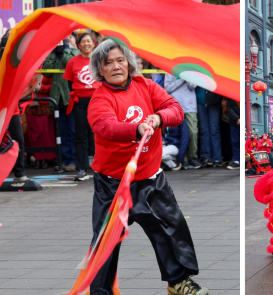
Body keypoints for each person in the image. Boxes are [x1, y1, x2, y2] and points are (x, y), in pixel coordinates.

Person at [86, 39, 208, 295]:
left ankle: (178, 282)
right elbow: (104, 126)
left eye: (120, 60)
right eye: (108, 63)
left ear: (129, 63)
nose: (116, 66)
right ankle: (100, 292)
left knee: (171, 229)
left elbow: (175, 110)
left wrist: (159, 117)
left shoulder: (147, 86)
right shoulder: (100, 98)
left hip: (151, 179)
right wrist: (137, 127)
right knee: (106, 242)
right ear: (100, 69)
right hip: (113, 184)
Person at [63, 32, 101, 178]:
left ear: (93, 43)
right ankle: (82, 168)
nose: (86, 44)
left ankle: (100, 166)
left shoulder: (98, 60)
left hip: (98, 102)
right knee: (80, 134)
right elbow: (69, 83)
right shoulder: (72, 62)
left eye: (88, 41)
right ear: (78, 45)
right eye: (83, 42)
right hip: (79, 102)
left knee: (97, 132)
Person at [43, 37, 80, 172]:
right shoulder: (54, 54)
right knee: (62, 133)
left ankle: (74, 161)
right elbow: (46, 69)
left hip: (70, 99)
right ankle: (64, 161)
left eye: (62, 40)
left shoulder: (75, 52)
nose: (59, 43)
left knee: (73, 132)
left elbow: (69, 63)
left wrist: (65, 49)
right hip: (57, 99)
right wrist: (53, 52)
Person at [164, 74, 201, 169]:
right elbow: (167, 88)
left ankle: (192, 157)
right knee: (178, 134)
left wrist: (186, 75)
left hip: (189, 107)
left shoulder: (189, 69)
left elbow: (193, 86)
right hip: (175, 106)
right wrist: (181, 79)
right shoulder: (169, 70)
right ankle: (181, 158)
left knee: (193, 133)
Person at [196, 87, 222, 167]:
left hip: (214, 100)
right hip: (201, 100)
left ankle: (217, 157)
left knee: (214, 130)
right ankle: (206, 156)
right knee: (204, 130)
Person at [226, 98, 240, 170]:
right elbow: (229, 108)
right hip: (234, 123)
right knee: (235, 142)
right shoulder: (230, 97)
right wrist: (237, 118)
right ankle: (237, 161)